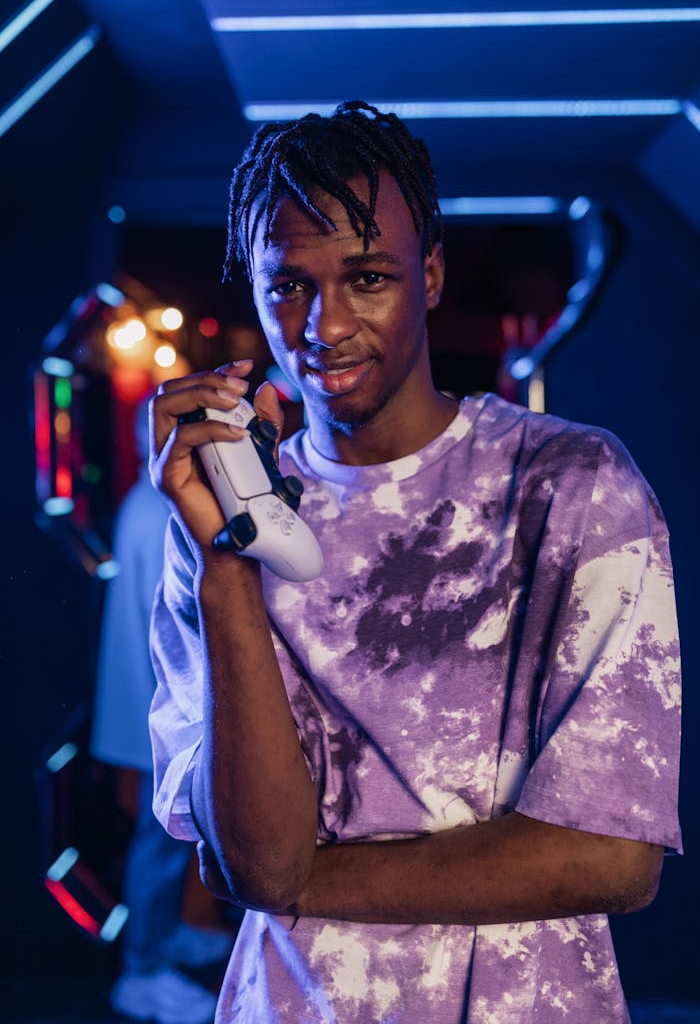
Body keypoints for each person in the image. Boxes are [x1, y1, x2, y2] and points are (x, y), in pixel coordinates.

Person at [148, 102, 682, 1022]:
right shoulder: (218, 527)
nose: (324, 324)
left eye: (367, 277)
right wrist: (228, 565)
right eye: (289, 285)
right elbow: (252, 860)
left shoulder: (571, 484)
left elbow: (611, 856)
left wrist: (305, 883)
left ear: (430, 275)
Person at [92, 398, 232, 1024]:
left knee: (170, 835)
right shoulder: (164, 508)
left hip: (143, 699)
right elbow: (182, 622)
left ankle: (165, 937)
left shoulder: (142, 500)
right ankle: (141, 971)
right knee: (161, 839)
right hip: (157, 704)